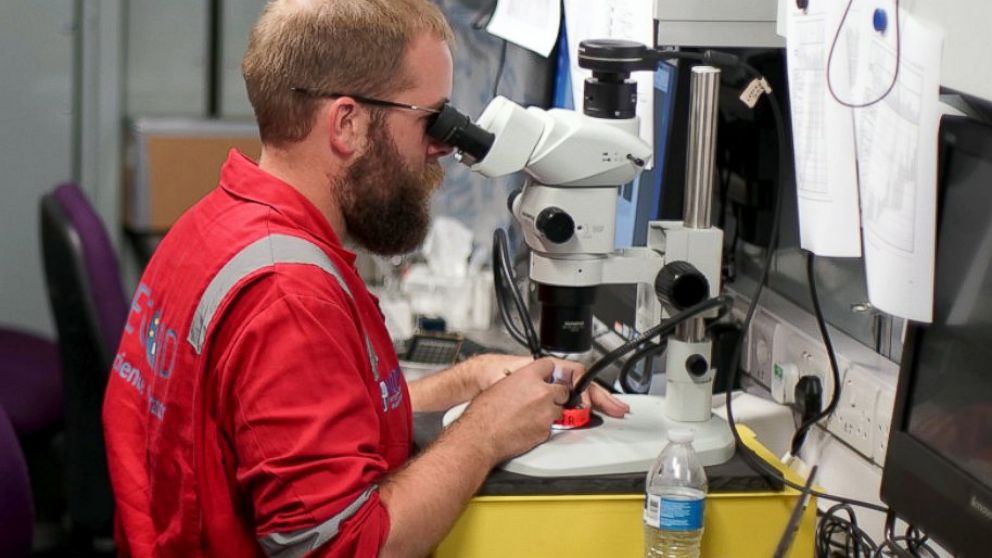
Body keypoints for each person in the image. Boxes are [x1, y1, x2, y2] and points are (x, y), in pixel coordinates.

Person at [102, 1, 629, 557]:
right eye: (432, 120)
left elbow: (290, 428)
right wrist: (486, 432)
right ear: (347, 124)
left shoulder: (213, 224)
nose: (444, 146)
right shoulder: (290, 295)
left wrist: (467, 382)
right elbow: (345, 548)